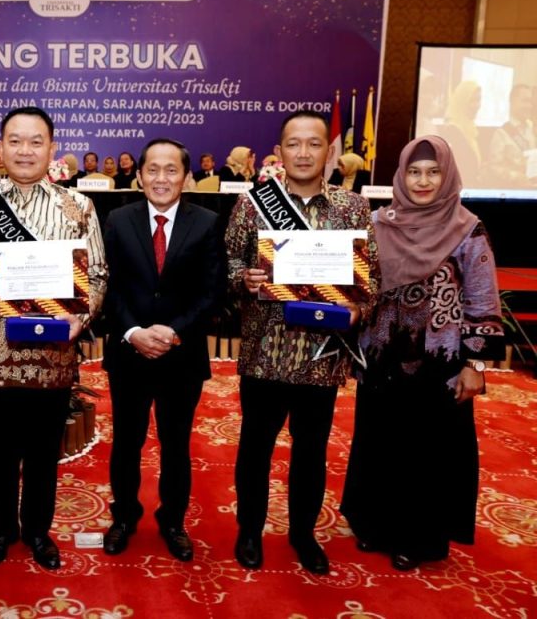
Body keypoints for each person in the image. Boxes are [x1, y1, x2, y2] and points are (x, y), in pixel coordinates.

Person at [0, 106, 108, 570]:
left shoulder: (79, 207)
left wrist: (84, 313)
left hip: (52, 354)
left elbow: (97, 273)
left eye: (36, 141)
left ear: (52, 149)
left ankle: (38, 531)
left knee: (42, 454)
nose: (25, 150)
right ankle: (1, 531)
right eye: (15, 140)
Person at [225, 110, 379, 575]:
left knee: (311, 451)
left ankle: (302, 533)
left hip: (321, 356)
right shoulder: (254, 203)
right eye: (295, 143)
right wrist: (245, 280)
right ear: (280, 151)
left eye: (314, 143)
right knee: (255, 447)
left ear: (329, 152)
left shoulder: (353, 209)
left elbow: (371, 279)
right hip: (265, 352)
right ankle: (249, 530)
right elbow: (229, 262)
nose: (305, 152)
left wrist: (357, 309)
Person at [341, 135, 503, 571]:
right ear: (401, 175)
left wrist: (475, 364)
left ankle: (421, 537)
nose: (423, 180)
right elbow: (358, 287)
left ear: (446, 175)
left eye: (433, 172)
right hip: (382, 360)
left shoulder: (468, 229)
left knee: (428, 452)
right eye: (414, 171)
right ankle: (375, 524)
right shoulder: (378, 224)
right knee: (380, 442)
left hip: (438, 365)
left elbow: (483, 300)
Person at [101, 138, 222, 561]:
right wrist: (133, 331)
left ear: (187, 177)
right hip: (129, 353)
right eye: (153, 169)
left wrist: (172, 332)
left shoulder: (206, 222)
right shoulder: (117, 219)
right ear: (139, 175)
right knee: (126, 443)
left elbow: (211, 293)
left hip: (181, 357)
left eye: (172, 170)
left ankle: (172, 521)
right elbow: (108, 286)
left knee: (176, 445)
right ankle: (124, 517)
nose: (161, 178)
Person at [487, 84, 536, 187]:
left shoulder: (533, 129)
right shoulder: (501, 134)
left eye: (530, 102)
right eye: (524, 101)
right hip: (514, 193)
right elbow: (493, 168)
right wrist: (515, 177)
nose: (529, 106)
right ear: (512, 102)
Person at [439, 80, 482, 188]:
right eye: (472, 100)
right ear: (462, 101)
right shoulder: (452, 130)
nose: (477, 105)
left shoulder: (469, 126)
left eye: (479, 100)